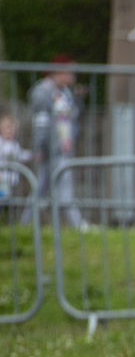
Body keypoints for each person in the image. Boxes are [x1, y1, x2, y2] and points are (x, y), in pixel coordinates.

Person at [24, 55, 86, 229]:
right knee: (60, 185)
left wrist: (79, 99)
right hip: (49, 148)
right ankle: (78, 225)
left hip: (62, 147)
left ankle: (24, 223)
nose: (73, 77)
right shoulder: (43, 91)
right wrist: (39, 147)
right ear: (60, 72)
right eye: (70, 73)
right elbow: (40, 121)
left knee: (40, 188)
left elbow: (70, 116)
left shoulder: (64, 92)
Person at [0, 114, 32, 203]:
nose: (10, 131)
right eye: (7, 128)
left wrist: (32, 155)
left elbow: (20, 155)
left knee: (8, 201)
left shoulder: (15, 145)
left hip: (10, 179)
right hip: (2, 178)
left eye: (12, 129)